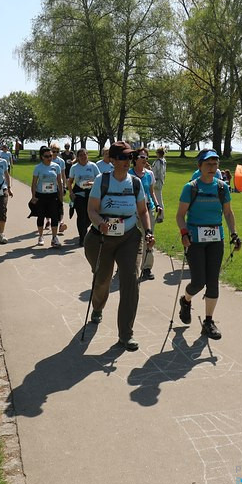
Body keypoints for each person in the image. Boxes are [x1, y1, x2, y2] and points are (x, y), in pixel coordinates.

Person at [85, 141, 154, 351]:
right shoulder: (102, 180)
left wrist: (149, 231)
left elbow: (142, 211)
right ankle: (98, 307)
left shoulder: (135, 183)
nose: (127, 161)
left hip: (129, 237)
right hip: (101, 239)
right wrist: (101, 223)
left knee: (131, 282)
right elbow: (92, 210)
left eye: (129, 157)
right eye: (123, 158)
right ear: (112, 160)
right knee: (103, 280)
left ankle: (126, 334)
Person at [174, 149, 241, 340]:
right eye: (208, 164)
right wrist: (184, 233)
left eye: (215, 163)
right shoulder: (191, 187)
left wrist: (234, 234)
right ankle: (186, 300)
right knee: (198, 282)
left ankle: (208, 322)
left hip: (215, 239)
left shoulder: (222, 187)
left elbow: (228, 213)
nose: (212, 167)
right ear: (200, 166)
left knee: (212, 281)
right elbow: (180, 215)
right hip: (195, 239)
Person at [133, 148, 161, 280]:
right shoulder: (129, 173)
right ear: (135, 159)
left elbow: (151, 191)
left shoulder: (149, 174)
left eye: (146, 158)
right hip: (131, 210)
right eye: (142, 157)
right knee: (129, 238)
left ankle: (147, 267)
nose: (144, 160)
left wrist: (157, 204)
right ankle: (126, 265)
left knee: (148, 237)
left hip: (147, 209)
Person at [30, 145, 65, 247]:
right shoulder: (38, 168)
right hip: (41, 195)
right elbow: (34, 183)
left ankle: (54, 238)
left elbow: (59, 182)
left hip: (53, 195)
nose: (49, 158)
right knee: (41, 216)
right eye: (47, 156)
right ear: (42, 157)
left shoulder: (56, 166)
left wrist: (61, 197)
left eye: (51, 155)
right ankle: (40, 236)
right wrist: (33, 196)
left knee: (54, 216)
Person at [67, 148, 100, 247]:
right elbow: (70, 181)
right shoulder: (74, 167)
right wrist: (71, 193)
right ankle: (82, 237)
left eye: (84, 154)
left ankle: (84, 228)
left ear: (87, 155)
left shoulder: (93, 166)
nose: (83, 157)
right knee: (81, 216)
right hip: (79, 193)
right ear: (78, 157)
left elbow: (99, 179)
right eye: (80, 155)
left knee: (89, 216)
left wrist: (92, 183)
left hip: (91, 193)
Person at [151, 147, 167, 224]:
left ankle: (160, 216)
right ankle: (159, 215)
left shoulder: (159, 162)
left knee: (158, 199)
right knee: (158, 199)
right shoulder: (163, 161)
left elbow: (159, 173)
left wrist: (156, 181)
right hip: (159, 181)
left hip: (157, 181)